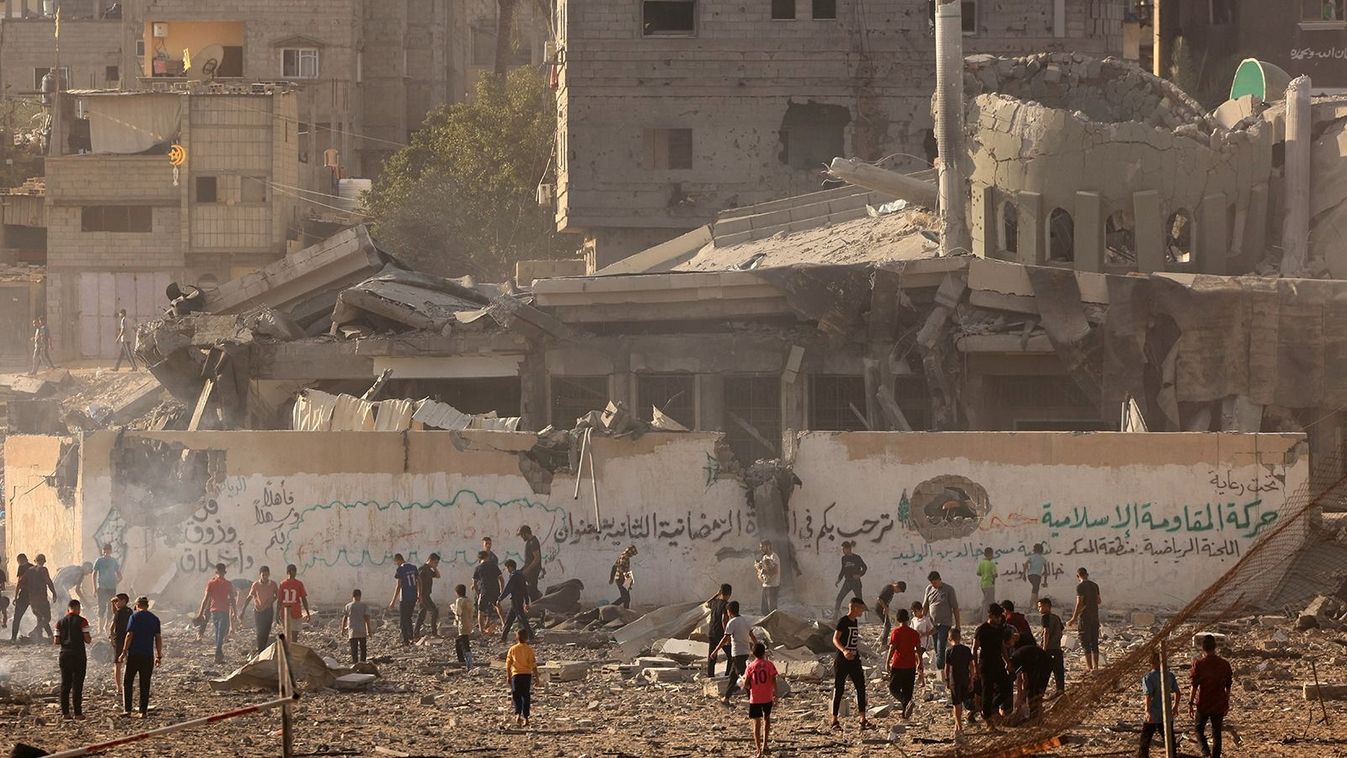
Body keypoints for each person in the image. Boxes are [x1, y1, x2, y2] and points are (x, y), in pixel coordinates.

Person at [831, 597, 873, 731]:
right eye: (860, 608)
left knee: (860, 687)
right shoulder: (843, 621)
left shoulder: (855, 621)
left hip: (854, 659)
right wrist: (844, 650)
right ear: (854, 608)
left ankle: (862, 718)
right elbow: (835, 639)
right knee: (839, 689)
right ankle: (834, 720)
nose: (862, 611)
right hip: (842, 659)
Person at [1190, 634, 1233, 758]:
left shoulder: (1199, 664)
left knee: (1199, 730)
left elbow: (1194, 685)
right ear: (1215, 647)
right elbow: (1228, 685)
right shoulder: (1224, 664)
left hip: (1203, 703)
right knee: (1216, 733)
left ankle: (1206, 753)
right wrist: (1226, 702)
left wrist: (1190, 703)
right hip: (1219, 703)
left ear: (1203, 648)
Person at [973, 603, 1014, 727]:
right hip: (986, 665)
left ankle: (990, 708)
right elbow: (974, 649)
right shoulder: (982, 629)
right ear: (990, 615)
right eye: (997, 617)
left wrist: (1008, 662)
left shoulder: (999, 628)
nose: (999, 619)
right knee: (987, 692)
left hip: (998, 664)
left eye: (1000, 617)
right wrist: (975, 668)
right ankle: (989, 721)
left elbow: (1002, 647)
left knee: (1006, 688)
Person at [120, 596, 161, 718]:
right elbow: (158, 638)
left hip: (134, 655)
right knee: (145, 683)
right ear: (147, 605)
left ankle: (127, 710)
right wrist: (159, 655)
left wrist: (124, 651)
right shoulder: (154, 619)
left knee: (128, 682)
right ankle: (143, 711)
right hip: (147, 655)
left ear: (137, 605)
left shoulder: (134, 617)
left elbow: (129, 635)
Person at [710, 600, 757, 704]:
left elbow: (725, 639)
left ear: (729, 611)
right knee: (733, 677)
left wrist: (715, 651)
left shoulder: (731, 622)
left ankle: (752, 698)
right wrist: (757, 647)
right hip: (745, 652)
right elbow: (752, 636)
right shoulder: (744, 621)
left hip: (737, 653)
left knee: (743, 677)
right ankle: (726, 698)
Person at [54, 598, 91, 720]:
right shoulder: (82, 621)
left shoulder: (60, 622)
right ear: (78, 608)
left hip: (64, 654)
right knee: (77, 684)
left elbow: (56, 641)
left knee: (65, 684)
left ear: (68, 609)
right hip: (78, 655)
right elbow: (87, 639)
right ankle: (78, 713)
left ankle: (65, 713)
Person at [1139, 651, 1181, 757]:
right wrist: (1175, 707)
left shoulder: (1148, 677)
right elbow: (1177, 692)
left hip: (1153, 713)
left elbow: (1148, 695)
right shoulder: (1170, 675)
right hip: (1166, 713)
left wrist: (1147, 711)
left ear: (1151, 663)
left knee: (1145, 741)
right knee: (1169, 740)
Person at [195, 563, 236, 663]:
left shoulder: (212, 583)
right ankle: (218, 654)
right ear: (223, 572)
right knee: (220, 632)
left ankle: (219, 653)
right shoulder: (226, 584)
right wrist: (235, 611)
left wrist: (200, 614)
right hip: (221, 611)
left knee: (219, 632)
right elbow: (232, 599)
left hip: (216, 611)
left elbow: (205, 599)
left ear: (217, 572)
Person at [744, 642, 778, 758]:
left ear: (753, 653)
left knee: (756, 723)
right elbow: (773, 680)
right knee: (767, 719)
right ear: (764, 652)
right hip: (767, 697)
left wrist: (749, 686)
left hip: (755, 698)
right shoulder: (769, 665)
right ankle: (765, 744)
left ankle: (758, 749)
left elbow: (746, 684)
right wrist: (775, 694)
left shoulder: (750, 666)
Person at [922, 571, 962, 672]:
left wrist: (958, 625)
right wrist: (922, 621)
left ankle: (940, 671)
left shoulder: (949, 589)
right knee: (936, 648)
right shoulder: (929, 589)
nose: (934, 585)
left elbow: (955, 608)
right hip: (933, 624)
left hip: (945, 623)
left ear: (940, 580)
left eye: (935, 582)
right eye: (932, 583)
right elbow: (925, 606)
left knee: (940, 646)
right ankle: (943, 670)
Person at [888, 608, 922, 720]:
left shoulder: (895, 632)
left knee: (893, 688)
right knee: (908, 690)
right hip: (910, 665)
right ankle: (905, 715)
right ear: (908, 619)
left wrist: (887, 661)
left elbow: (892, 648)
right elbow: (918, 650)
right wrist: (920, 663)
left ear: (898, 619)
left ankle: (906, 703)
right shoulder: (914, 633)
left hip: (898, 664)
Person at [1067, 567, 1102, 670]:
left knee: (1085, 642)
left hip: (1085, 618)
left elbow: (1079, 603)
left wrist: (1073, 618)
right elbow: (1099, 601)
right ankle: (1096, 667)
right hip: (1095, 617)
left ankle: (1089, 667)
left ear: (1078, 576)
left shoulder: (1080, 587)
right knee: (1094, 642)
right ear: (1087, 574)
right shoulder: (1095, 585)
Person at [1009, 639, 1052, 719]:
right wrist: (1021, 697)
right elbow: (1021, 680)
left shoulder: (1016, 661)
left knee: (1035, 692)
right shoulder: (1016, 659)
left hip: (1043, 663)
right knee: (1032, 690)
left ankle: (1036, 716)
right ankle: (1035, 715)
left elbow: (1023, 680)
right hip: (1038, 662)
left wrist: (1021, 698)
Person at [944, 627, 976, 735]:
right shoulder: (966, 650)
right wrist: (971, 679)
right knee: (965, 702)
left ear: (949, 639)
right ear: (960, 638)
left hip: (954, 681)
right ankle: (958, 725)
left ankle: (959, 726)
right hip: (965, 680)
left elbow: (947, 668)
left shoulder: (949, 651)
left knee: (956, 705)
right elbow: (971, 666)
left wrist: (947, 680)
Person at [506, 627, 537, 728]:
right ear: (527, 638)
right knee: (526, 695)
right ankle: (526, 718)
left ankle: (518, 714)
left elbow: (508, 664)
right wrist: (537, 677)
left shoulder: (513, 649)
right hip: (526, 675)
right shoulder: (529, 649)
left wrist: (508, 676)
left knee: (516, 695)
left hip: (516, 675)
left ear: (517, 637)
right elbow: (533, 664)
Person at [245, 566, 279, 654]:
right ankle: (261, 650)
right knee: (260, 631)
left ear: (269, 575)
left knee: (267, 630)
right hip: (258, 611)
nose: (265, 577)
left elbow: (277, 596)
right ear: (260, 575)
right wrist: (243, 610)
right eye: (263, 575)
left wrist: (271, 601)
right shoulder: (256, 585)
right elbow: (250, 597)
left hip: (268, 610)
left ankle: (263, 648)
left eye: (266, 575)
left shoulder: (273, 584)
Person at [25, 554, 58, 641]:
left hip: (32, 598)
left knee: (40, 617)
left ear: (35, 561)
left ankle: (44, 635)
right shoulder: (43, 569)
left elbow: (21, 583)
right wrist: (54, 592)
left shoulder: (29, 570)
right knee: (47, 617)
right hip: (42, 598)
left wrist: (18, 596)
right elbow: (48, 581)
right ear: (44, 561)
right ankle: (35, 632)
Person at [472, 549, 505, 636]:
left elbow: (474, 583)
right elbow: (501, 579)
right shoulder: (494, 566)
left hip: (484, 591)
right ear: (487, 557)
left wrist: (478, 593)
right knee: (498, 606)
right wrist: (502, 590)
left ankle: (481, 629)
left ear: (479, 559)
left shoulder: (478, 568)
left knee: (481, 611)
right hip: (494, 590)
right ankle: (504, 624)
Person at [499, 559, 532, 643]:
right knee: (509, 620)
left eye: (507, 568)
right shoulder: (520, 575)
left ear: (510, 567)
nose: (507, 570)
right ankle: (503, 637)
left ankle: (531, 636)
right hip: (518, 600)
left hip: (516, 600)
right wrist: (527, 602)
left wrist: (500, 598)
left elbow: (508, 588)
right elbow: (525, 589)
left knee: (522, 619)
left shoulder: (514, 576)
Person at [388, 553, 418, 645]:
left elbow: (398, 585)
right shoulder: (413, 567)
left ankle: (405, 640)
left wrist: (393, 601)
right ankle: (411, 637)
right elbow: (419, 581)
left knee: (403, 619)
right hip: (413, 596)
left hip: (405, 597)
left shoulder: (400, 569)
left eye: (395, 562)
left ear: (397, 560)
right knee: (408, 617)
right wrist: (419, 593)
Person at [1038, 597, 1066, 695]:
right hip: (1057, 649)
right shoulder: (1056, 617)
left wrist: (1044, 649)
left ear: (1046, 606)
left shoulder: (1045, 617)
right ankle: (1060, 691)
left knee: (1044, 673)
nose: (1039, 609)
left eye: (1040, 607)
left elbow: (1046, 633)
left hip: (1049, 649)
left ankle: (1040, 693)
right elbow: (1061, 630)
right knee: (1058, 672)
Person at [833, 541, 868, 618]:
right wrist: (839, 579)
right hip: (847, 582)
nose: (843, 551)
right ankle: (835, 616)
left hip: (856, 582)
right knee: (839, 597)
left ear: (849, 549)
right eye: (842, 549)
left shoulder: (857, 558)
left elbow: (865, 567)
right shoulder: (844, 558)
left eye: (844, 549)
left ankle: (865, 615)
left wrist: (859, 575)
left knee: (859, 600)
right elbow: (843, 570)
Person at [91, 545, 122, 627]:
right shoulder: (99, 561)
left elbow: (119, 575)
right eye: (104, 550)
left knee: (111, 608)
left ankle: (106, 626)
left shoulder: (113, 561)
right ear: (102, 551)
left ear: (111, 551)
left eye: (108, 550)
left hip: (111, 588)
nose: (106, 552)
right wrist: (94, 588)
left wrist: (116, 582)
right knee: (101, 607)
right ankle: (100, 627)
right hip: (102, 588)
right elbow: (94, 574)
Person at [705, 583, 732, 677]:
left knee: (712, 656)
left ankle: (710, 676)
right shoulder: (726, 605)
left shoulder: (714, 602)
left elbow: (707, 603)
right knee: (731, 655)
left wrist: (716, 594)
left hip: (711, 632)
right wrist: (727, 635)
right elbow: (724, 620)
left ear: (720, 592)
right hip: (720, 633)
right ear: (729, 594)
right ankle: (728, 675)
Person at [109, 593, 132, 698]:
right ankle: (125, 686)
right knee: (128, 662)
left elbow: (113, 624)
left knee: (117, 664)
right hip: (129, 638)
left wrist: (110, 635)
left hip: (119, 640)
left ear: (123, 601)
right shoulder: (129, 611)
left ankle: (118, 687)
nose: (116, 603)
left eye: (118, 601)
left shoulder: (119, 613)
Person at [278, 564, 310, 640]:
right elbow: (304, 599)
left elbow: (279, 600)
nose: (295, 573)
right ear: (291, 572)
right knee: (294, 635)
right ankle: (293, 650)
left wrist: (277, 613)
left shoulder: (282, 584)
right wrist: (307, 612)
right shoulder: (299, 584)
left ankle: (289, 650)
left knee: (287, 634)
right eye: (294, 571)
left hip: (285, 612)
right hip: (295, 611)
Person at [414, 553, 441, 639]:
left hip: (426, 594)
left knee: (422, 614)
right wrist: (419, 595)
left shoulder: (429, 569)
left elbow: (438, 576)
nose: (436, 564)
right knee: (434, 611)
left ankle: (416, 633)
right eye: (435, 562)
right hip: (423, 595)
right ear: (430, 560)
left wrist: (434, 568)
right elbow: (418, 582)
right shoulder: (423, 569)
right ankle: (434, 633)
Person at [341, 589, 371, 664]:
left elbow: (344, 618)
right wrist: (369, 630)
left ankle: (355, 665)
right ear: (360, 596)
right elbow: (367, 619)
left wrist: (342, 629)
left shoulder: (348, 606)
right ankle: (363, 665)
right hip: (362, 631)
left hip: (352, 631)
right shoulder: (364, 606)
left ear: (353, 596)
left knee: (354, 650)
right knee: (363, 649)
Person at [9, 554, 34, 642]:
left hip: (24, 595)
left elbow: (19, 583)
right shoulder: (33, 567)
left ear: (20, 560)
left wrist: (16, 597)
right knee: (40, 615)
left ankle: (13, 637)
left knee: (17, 617)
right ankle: (44, 634)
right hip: (33, 594)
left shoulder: (22, 568)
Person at [876, 580, 907, 647]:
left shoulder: (891, 590)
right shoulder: (888, 589)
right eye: (899, 591)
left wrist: (887, 607)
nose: (898, 592)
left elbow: (885, 600)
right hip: (879, 609)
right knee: (888, 625)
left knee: (887, 625)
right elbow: (879, 599)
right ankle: (883, 643)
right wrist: (884, 607)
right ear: (897, 587)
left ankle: (883, 641)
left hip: (883, 608)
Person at [452, 584, 475, 670]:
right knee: (458, 642)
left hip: (462, 626)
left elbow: (458, 613)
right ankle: (461, 661)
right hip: (469, 624)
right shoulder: (469, 600)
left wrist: (453, 608)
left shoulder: (459, 601)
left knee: (465, 645)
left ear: (457, 593)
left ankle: (469, 664)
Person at [518, 526, 544, 600]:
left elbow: (537, 558)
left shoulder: (533, 542)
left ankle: (537, 605)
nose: (522, 537)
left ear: (526, 534)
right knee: (517, 579)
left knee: (532, 592)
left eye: (522, 535)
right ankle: (537, 593)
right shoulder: (529, 541)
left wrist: (527, 570)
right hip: (529, 569)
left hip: (533, 570)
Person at [755, 541, 781, 615]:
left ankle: (774, 625)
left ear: (768, 546)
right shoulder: (764, 557)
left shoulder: (774, 556)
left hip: (773, 587)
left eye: (762, 547)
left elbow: (775, 571)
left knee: (772, 610)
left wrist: (763, 571)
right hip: (765, 585)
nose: (760, 549)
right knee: (764, 610)